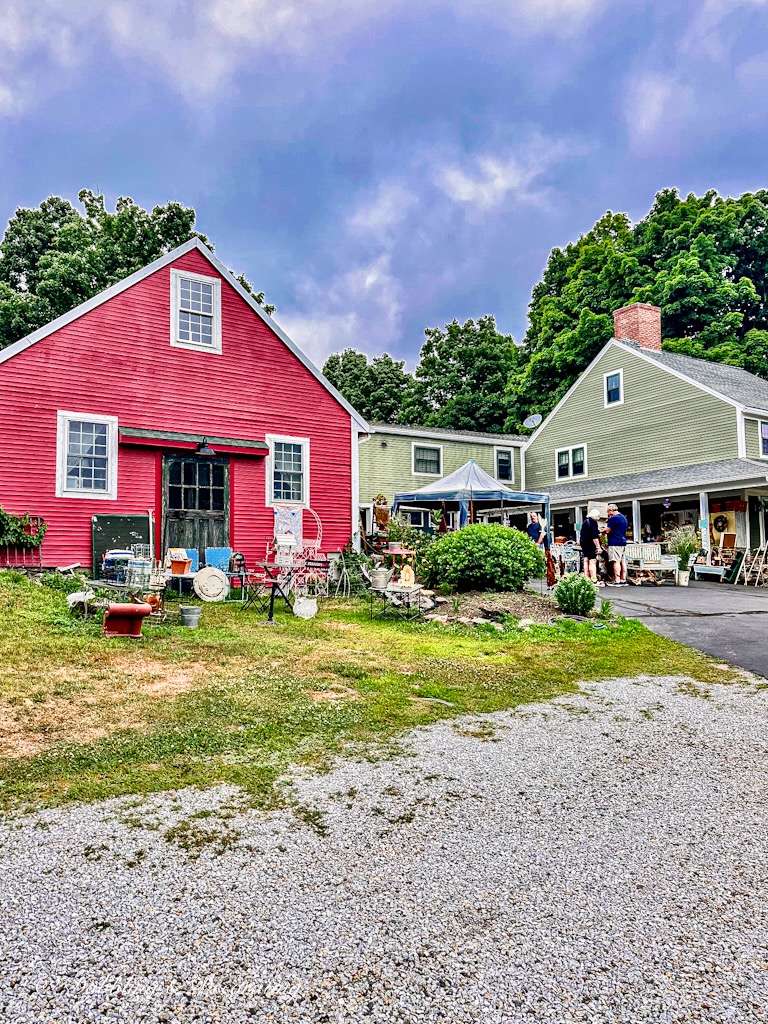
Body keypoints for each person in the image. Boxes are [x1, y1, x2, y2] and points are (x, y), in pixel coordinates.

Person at [605, 503, 628, 586]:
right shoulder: (623, 517)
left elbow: (607, 530)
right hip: (623, 541)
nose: (608, 514)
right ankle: (623, 579)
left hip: (614, 542)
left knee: (615, 561)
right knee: (622, 561)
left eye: (608, 511)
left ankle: (617, 579)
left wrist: (601, 530)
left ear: (611, 510)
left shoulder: (614, 519)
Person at [580, 509, 603, 586]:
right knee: (592, 561)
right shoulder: (593, 522)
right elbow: (594, 537)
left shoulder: (585, 522)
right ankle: (594, 579)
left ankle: (587, 578)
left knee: (586, 560)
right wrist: (598, 547)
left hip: (583, 543)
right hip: (590, 544)